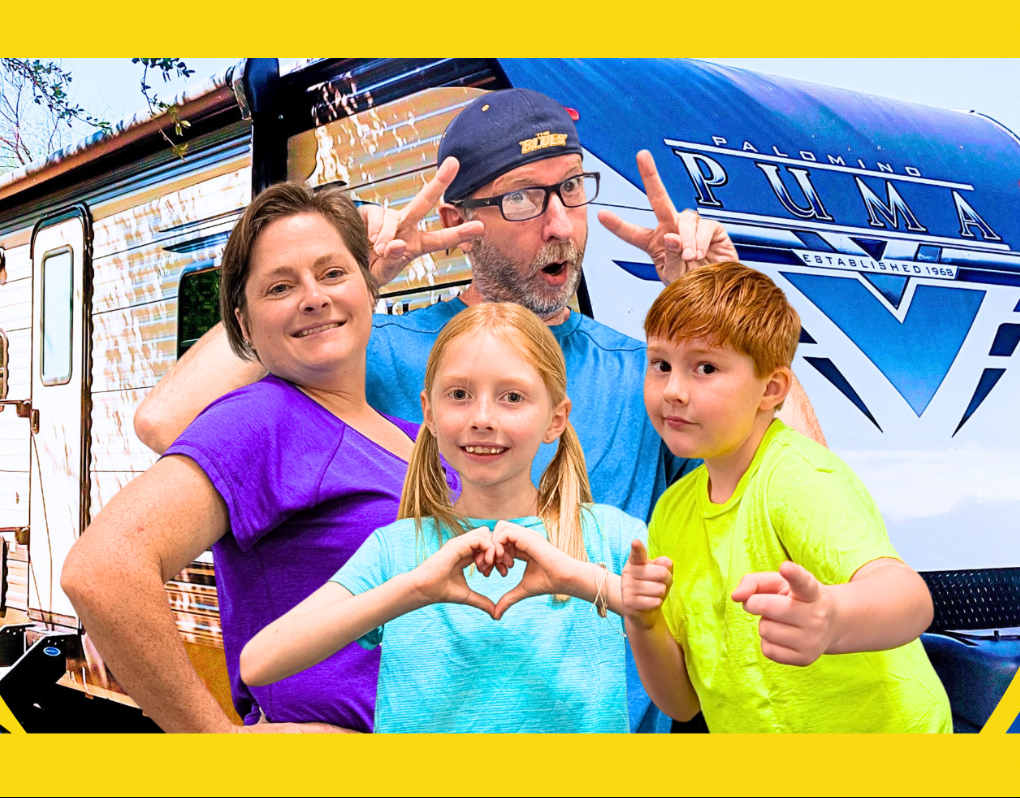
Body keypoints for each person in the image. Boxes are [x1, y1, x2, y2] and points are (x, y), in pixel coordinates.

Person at [132, 88, 825, 732]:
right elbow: (169, 420)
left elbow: (802, 486)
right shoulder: (381, 353)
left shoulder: (645, 369)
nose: (560, 225)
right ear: (456, 221)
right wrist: (356, 276)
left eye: (572, 190)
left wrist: (725, 303)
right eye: (524, 198)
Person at [61, 184, 464, 733]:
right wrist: (219, 748)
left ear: (370, 291)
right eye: (279, 286)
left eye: (333, 273)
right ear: (244, 326)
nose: (313, 297)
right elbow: (102, 568)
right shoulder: (265, 418)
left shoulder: (420, 441)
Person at [240, 302, 646, 732]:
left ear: (556, 419)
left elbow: (688, 651)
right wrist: (413, 589)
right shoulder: (395, 550)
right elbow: (260, 662)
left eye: (512, 397)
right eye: (459, 395)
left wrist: (584, 581)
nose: (482, 419)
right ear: (429, 414)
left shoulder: (613, 539)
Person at [621, 262, 952, 733]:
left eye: (706, 368)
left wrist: (831, 618)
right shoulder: (672, 512)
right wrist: (643, 622)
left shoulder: (799, 478)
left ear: (771, 389)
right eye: (661, 365)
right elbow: (680, 703)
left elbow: (912, 600)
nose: (673, 390)